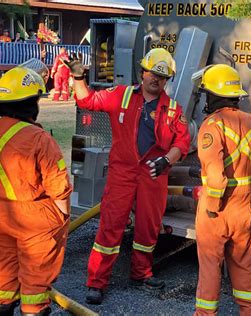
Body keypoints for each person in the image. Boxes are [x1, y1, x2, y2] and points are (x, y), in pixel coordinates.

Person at [66, 48, 190, 304]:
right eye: (152, 73)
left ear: (167, 80)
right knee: (110, 227)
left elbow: (182, 142)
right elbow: (86, 101)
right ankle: (96, 282)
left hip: (154, 174)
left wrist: (167, 159)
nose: (156, 79)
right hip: (122, 172)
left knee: (148, 228)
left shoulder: (173, 109)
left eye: (162, 76)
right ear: (142, 72)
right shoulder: (121, 96)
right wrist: (79, 78)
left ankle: (141, 274)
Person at [0, 65, 72, 316]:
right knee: (35, 276)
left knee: (5, 266)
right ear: (32, 103)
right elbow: (58, 188)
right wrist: (63, 218)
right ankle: (34, 309)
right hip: (33, 217)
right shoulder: (40, 139)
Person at [192, 64, 251, 315]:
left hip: (216, 210)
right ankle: (250, 310)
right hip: (244, 206)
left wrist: (212, 206)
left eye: (207, 93)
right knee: (243, 262)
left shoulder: (212, 126)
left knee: (210, 264)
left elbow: (216, 175)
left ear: (214, 95)